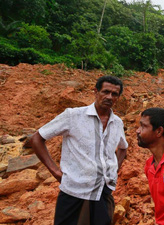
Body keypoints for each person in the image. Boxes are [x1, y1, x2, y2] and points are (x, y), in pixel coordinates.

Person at [29, 76, 128, 225]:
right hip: (74, 192)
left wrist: (113, 170)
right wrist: (56, 172)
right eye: (105, 92)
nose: (109, 97)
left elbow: (123, 148)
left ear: (118, 97)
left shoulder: (117, 123)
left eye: (114, 94)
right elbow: (37, 138)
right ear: (96, 92)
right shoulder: (73, 116)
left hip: (103, 192)